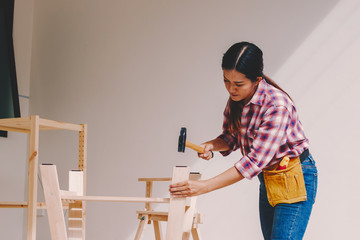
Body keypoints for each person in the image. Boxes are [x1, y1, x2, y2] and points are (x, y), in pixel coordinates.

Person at [169, 42, 318, 240]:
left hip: (294, 176)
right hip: (269, 177)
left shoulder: (276, 105)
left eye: (238, 84)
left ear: (256, 80)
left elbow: (254, 161)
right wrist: (212, 145)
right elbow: (232, 136)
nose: (231, 89)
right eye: (226, 81)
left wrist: (204, 186)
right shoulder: (238, 99)